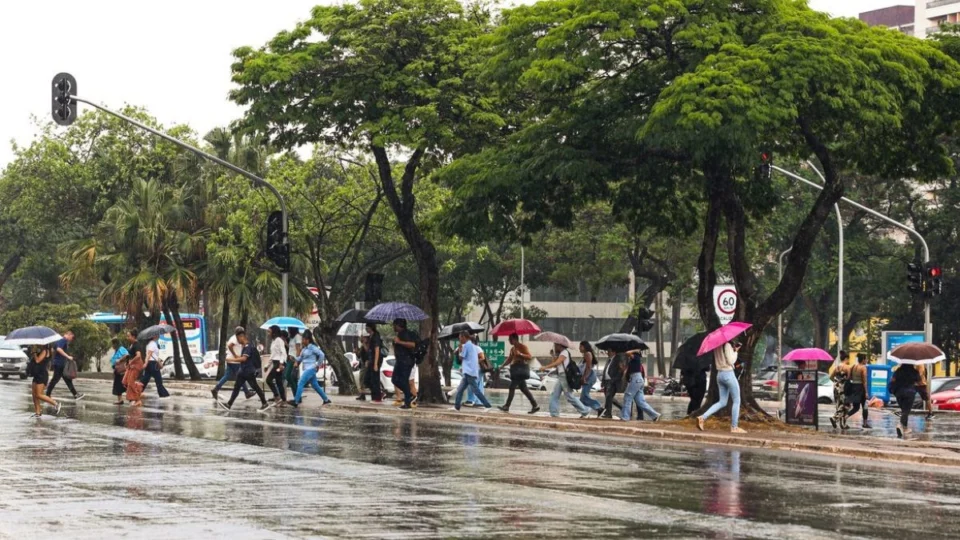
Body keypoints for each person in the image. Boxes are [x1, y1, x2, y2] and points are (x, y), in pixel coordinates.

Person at [217, 329, 272, 412]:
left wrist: (231, 360)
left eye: (238, 338)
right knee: (237, 387)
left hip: (248, 371)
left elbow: (244, 358)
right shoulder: (245, 347)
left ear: (241, 337)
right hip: (243, 371)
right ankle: (229, 404)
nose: (238, 341)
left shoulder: (248, 347)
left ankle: (264, 403)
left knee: (255, 387)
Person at [697, 341, 745, 433]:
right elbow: (731, 361)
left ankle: (702, 417)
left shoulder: (716, 345)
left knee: (722, 402)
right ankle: (734, 427)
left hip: (720, 375)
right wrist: (736, 351)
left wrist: (733, 349)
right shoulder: (727, 345)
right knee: (736, 401)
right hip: (728, 374)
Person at [541, 343, 592, 418]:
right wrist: (553, 355)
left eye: (556, 345)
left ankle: (585, 410)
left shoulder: (564, 352)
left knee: (569, 396)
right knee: (554, 394)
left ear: (560, 345)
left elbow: (557, 362)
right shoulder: (561, 353)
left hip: (564, 377)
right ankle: (554, 413)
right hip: (561, 376)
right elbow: (556, 365)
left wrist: (545, 367)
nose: (555, 347)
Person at [289, 330, 332, 407]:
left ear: (307, 339)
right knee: (315, 385)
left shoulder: (313, 347)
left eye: (303, 339)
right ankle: (326, 400)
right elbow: (300, 358)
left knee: (301, 382)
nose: (302, 341)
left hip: (311, 368)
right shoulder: (304, 349)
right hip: (307, 369)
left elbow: (322, 355)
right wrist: (295, 360)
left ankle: (296, 401)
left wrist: (317, 365)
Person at [499, 333, 539, 414]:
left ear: (515, 339)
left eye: (510, 339)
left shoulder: (522, 347)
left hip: (520, 370)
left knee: (512, 387)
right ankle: (535, 405)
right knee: (524, 389)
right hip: (516, 371)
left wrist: (520, 354)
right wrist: (502, 366)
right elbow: (509, 359)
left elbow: (529, 356)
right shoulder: (513, 349)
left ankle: (507, 406)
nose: (509, 341)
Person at [453, 331, 492, 411]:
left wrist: (460, 349)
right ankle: (457, 407)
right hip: (469, 371)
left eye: (460, 337)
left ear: (464, 337)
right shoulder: (472, 346)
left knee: (476, 390)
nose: (459, 339)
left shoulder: (467, 346)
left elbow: (461, 358)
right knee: (460, 389)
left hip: (469, 372)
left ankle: (487, 406)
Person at [212, 326, 253, 401]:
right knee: (241, 376)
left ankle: (216, 389)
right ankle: (247, 393)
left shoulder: (235, 337)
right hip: (234, 361)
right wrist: (235, 355)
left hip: (232, 360)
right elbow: (230, 346)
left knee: (228, 376)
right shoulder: (235, 338)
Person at [620, 348, 661, 422]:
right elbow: (628, 372)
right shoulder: (633, 361)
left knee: (628, 396)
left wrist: (635, 350)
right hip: (637, 379)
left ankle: (625, 417)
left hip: (636, 379)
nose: (630, 356)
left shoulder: (636, 357)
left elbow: (627, 352)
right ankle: (655, 415)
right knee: (640, 401)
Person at [45, 330, 84, 401]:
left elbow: (53, 349)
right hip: (59, 364)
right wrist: (68, 356)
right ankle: (47, 394)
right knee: (55, 379)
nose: (71, 339)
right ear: (68, 335)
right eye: (72, 337)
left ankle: (75, 395)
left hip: (60, 363)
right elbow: (58, 349)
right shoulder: (63, 340)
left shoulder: (59, 340)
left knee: (67, 379)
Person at [391, 318, 418, 409]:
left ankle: (407, 402)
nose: (393, 327)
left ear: (399, 326)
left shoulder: (407, 334)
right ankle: (409, 395)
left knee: (403, 380)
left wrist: (399, 342)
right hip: (400, 361)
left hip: (407, 361)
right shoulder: (399, 334)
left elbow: (412, 345)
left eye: (395, 325)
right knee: (395, 379)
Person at [890, 363, 921, 439]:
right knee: (906, 411)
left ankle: (905, 428)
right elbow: (919, 381)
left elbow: (892, 380)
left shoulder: (898, 371)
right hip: (909, 393)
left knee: (904, 411)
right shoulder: (914, 371)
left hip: (899, 393)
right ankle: (900, 425)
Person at [28, 346, 60, 417]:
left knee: (39, 394)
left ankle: (55, 404)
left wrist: (34, 353)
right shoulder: (41, 350)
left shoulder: (45, 351)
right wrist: (34, 352)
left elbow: (37, 361)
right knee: (34, 394)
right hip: (37, 374)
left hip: (42, 375)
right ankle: (38, 412)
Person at [841, 354, 871, 429]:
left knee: (856, 407)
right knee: (865, 406)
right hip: (861, 388)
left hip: (854, 387)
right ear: (863, 360)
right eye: (866, 359)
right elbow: (864, 381)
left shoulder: (853, 366)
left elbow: (849, 376)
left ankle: (845, 417)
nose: (866, 360)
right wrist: (866, 392)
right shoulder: (863, 368)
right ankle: (865, 423)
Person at [139, 334, 170, 399]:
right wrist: (145, 363)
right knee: (158, 380)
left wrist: (146, 363)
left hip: (150, 363)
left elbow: (148, 355)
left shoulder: (148, 344)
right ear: (153, 336)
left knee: (145, 379)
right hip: (152, 364)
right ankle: (163, 394)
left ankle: (137, 391)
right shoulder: (152, 344)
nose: (158, 336)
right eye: (157, 335)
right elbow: (149, 355)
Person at [123, 330, 146, 406]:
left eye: (128, 336)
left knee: (130, 383)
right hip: (131, 365)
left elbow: (138, 356)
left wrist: (131, 362)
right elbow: (130, 355)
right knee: (125, 381)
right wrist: (127, 362)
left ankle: (137, 400)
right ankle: (139, 391)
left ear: (133, 336)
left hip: (136, 366)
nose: (127, 338)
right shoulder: (132, 345)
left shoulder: (136, 345)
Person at [578, 341, 603, 413]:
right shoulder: (585, 355)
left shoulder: (588, 354)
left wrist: (584, 377)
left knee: (583, 397)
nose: (579, 348)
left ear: (584, 347)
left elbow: (588, 367)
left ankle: (599, 407)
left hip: (589, 376)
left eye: (580, 346)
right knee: (584, 396)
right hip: (588, 376)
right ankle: (594, 410)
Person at [600, 349, 625, 419]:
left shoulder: (618, 359)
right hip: (607, 381)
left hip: (613, 381)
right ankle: (621, 407)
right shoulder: (609, 360)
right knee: (609, 397)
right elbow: (605, 370)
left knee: (609, 396)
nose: (607, 352)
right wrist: (603, 381)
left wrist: (614, 379)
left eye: (609, 351)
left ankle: (608, 413)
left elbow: (620, 371)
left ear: (614, 352)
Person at [463, 336, 487, 407]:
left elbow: (482, 357)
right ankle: (479, 401)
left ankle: (471, 400)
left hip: (477, 369)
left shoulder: (477, 348)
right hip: (474, 369)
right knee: (479, 385)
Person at [266, 325, 288, 404]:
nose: (268, 333)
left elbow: (283, 353)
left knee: (268, 380)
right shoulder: (273, 341)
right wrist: (267, 365)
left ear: (274, 332)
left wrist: (281, 364)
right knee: (279, 383)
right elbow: (273, 355)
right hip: (275, 362)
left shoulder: (279, 340)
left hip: (279, 363)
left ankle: (277, 396)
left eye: (269, 331)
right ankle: (283, 400)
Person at [365, 323, 384, 403]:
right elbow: (368, 350)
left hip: (376, 360)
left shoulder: (376, 336)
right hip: (371, 360)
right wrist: (363, 342)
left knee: (375, 379)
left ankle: (377, 397)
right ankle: (377, 395)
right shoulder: (370, 337)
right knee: (368, 379)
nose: (366, 329)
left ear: (371, 328)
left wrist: (375, 364)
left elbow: (377, 350)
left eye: (367, 328)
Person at [110, 338, 129, 405]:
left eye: (113, 344)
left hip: (121, 371)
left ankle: (132, 398)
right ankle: (120, 400)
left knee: (125, 385)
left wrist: (120, 360)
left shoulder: (121, 349)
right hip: (117, 371)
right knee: (117, 385)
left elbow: (126, 355)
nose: (112, 345)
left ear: (116, 344)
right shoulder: (117, 350)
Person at [286, 327, 302, 394]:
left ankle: (296, 395)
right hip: (290, 358)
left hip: (294, 359)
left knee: (288, 376)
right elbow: (291, 348)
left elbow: (298, 349)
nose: (288, 331)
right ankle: (297, 397)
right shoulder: (292, 338)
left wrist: (297, 360)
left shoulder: (297, 336)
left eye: (289, 329)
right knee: (294, 379)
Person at [357, 335, 371, 401]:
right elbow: (359, 355)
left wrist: (363, 343)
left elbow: (367, 351)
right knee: (361, 379)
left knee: (363, 379)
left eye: (364, 338)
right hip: (362, 363)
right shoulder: (362, 345)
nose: (363, 339)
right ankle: (362, 394)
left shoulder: (368, 345)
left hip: (366, 363)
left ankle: (363, 394)